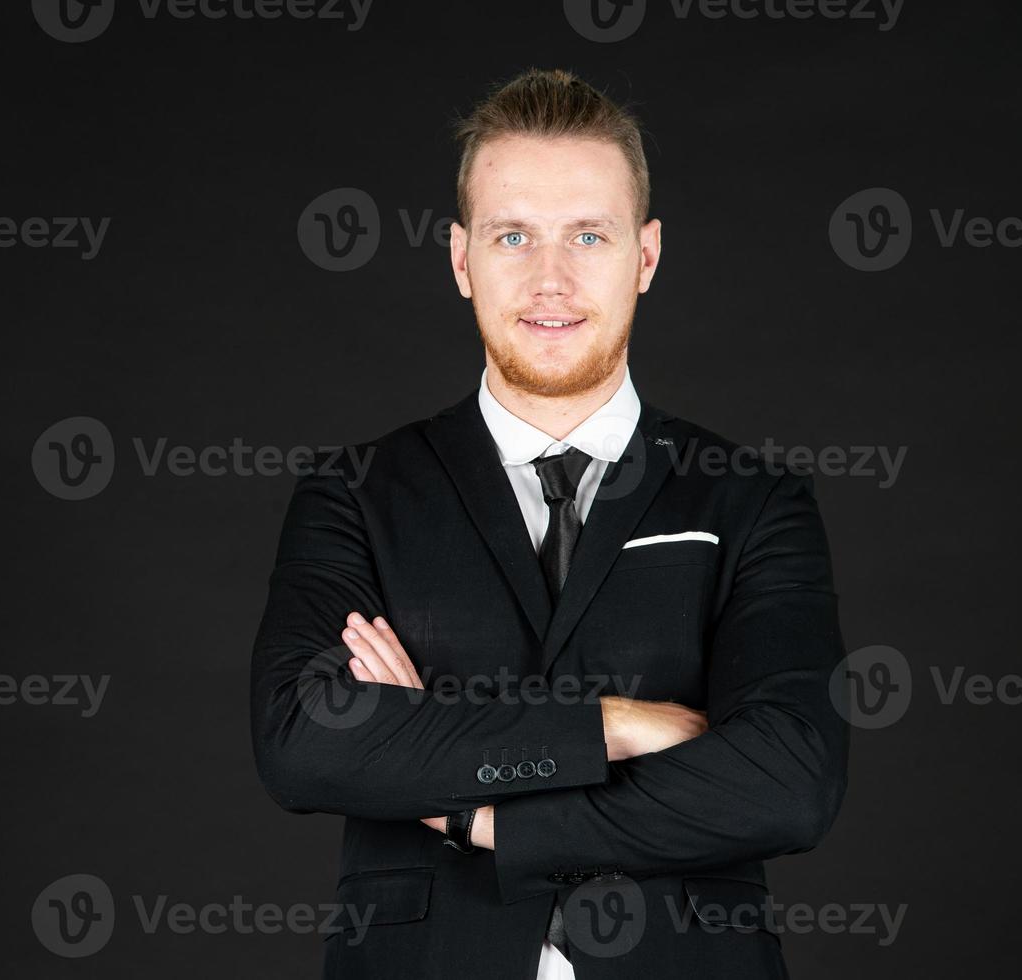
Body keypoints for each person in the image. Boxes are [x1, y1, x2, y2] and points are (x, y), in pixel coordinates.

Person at [251, 67, 848, 979]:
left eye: (589, 235)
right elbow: (304, 741)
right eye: (514, 235)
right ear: (461, 258)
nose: (551, 277)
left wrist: (471, 810)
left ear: (645, 257)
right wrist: (612, 723)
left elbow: (789, 783)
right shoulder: (356, 492)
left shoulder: (753, 498)